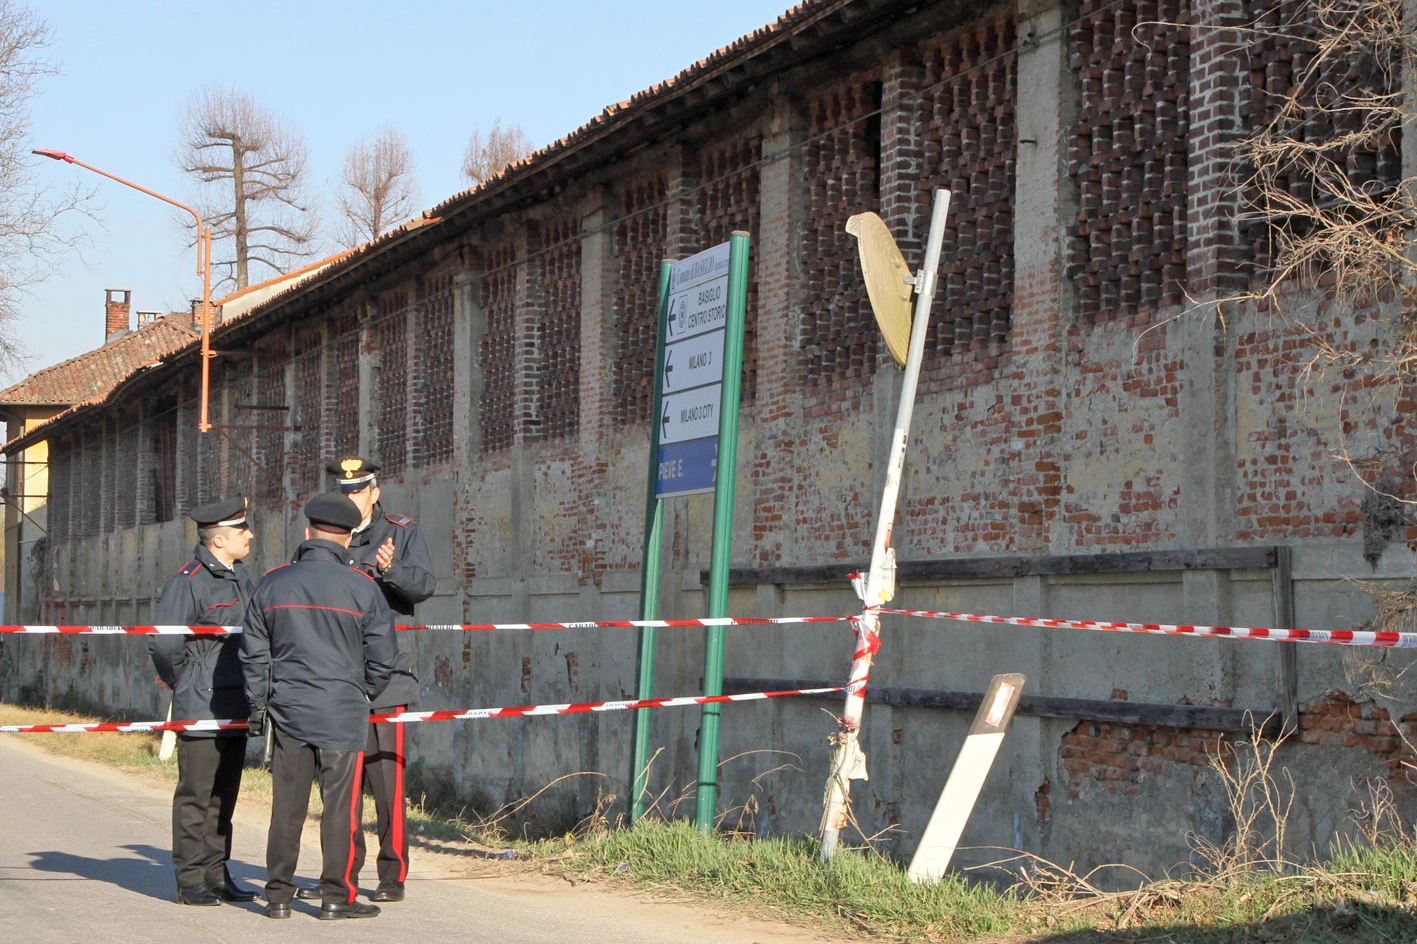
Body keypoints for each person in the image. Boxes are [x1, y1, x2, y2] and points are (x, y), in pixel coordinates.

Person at [240, 491, 397, 920]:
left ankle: (277, 897)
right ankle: (336, 896)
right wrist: (362, 691)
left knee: (286, 807)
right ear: (348, 539)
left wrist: (260, 704)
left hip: (288, 708)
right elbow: (384, 656)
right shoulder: (363, 588)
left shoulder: (272, 582)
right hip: (341, 710)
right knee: (340, 807)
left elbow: (252, 655)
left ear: (308, 533)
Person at [295, 456, 435, 905]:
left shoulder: (402, 530)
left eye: (358, 490)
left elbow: (424, 586)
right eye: (344, 489)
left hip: (388, 676)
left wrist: (392, 570)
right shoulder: (327, 530)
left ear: (375, 491)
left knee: (387, 784)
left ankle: (392, 875)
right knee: (341, 784)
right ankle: (342, 872)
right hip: (337, 677)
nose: (351, 497)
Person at [148, 495, 258, 907]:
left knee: (224, 795)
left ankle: (216, 872)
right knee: (196, 794)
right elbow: (164, 643)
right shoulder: (188, 580)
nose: (249, 535)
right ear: (218, 540)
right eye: (242, 530)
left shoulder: (242, 577)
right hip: (201, 703)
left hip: (237, 702)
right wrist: (185, 682)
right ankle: (190, 878)